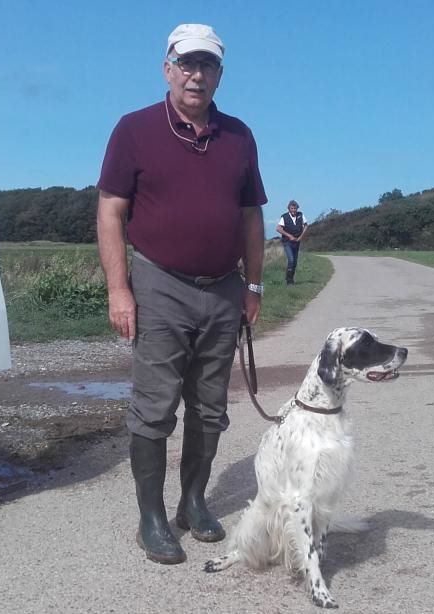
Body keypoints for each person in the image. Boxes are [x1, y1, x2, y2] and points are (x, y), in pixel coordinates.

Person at [95, 23, 267, 565]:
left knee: (210, 409)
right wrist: (119, 289)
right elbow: (110, 211)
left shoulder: (239, 135)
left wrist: (255, 284)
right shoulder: (135, 129)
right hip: (159, 284)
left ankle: (193, 502)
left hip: (223, 288)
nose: (197, 75)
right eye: (187, 64)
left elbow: (250, 215)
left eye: (208, 65)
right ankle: (152, 518)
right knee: (154, 408)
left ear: (220, 74)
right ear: (167, 68)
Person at [276, 200, 308, 284]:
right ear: (289, 209)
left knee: (295, 261)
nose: (294, 210)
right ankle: (288, 280)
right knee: (291, 259)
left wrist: (301, 237)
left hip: (297, 241)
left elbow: (306, 226)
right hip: (287, 242)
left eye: (295, 208)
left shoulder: (300, 215)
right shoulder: (284, 217)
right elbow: (278, 228)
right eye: (292, 208)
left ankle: (291, 279)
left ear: (297, 208)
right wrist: (289, 236)